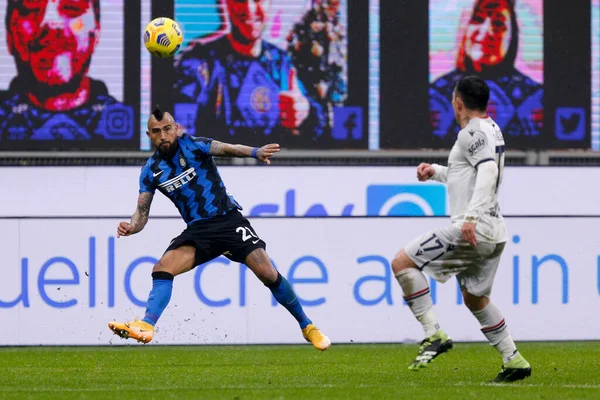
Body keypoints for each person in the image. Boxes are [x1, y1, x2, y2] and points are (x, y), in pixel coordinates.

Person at [108, 105, 330, 351]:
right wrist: (132, 226)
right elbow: (142, 211)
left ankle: (308, 327)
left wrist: (255, 152)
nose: (163, 135)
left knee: (267, 272)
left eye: (167, 129)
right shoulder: (151, 171)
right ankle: (146, 326)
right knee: (162, 268)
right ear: (149, 135)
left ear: (176, 129)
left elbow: (227, 148)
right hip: (198, 231)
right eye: (156, 131)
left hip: (227, 220)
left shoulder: (193, 145)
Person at [391, 76, 531, 382]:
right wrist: (436, 172)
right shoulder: (489, 128)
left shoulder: (471, 132)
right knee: (475, 298)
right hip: (494, 231)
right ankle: (514, 360)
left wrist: (470, 218)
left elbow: (488, 170)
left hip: (474, 229)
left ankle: (433, 334)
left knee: (402, 262)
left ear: (458, 101)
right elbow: (468, 173)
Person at [173, 0, 326, 148]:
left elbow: (322, 126)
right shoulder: (200, 64)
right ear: (227, 3)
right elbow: (181, 127)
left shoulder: (281, 63)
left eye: (258, 0)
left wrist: (305, 113)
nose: (249, 9)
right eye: (240, 0)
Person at [0, 0, 134, 141]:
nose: (52, 23)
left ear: (96, 33)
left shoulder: (134, 124)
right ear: (9, 35)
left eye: (72, 8)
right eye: (31, 10)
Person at [430, 0, 542, 144]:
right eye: (478, 19)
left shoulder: (534, 96)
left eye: (498, 24)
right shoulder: (437, 92)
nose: (485, 31)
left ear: (513, 35)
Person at [287, 0, 347, 129]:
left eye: (333, 4)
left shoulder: (337, 22)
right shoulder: (305, 21)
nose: (330, 7)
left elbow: (341, 48)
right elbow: (293, 47)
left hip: (331, 75)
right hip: (310, 77)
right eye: (328, 3)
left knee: (337, 113)